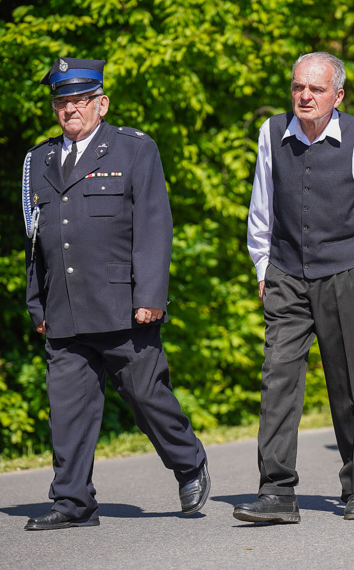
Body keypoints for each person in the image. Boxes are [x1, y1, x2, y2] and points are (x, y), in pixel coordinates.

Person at [23, 56, 210, 530]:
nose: (69, 110)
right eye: (61, 101)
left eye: (79, 101)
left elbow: (153, 224)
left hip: (123, 306)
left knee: (147, 398)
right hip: (63, 306)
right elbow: (36, 240)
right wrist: (36, 302)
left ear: (101, 103)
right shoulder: (38, 161)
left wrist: (151, 294)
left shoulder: (132, 150)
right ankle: (73, 503)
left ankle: (188, 463)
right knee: (67, 412)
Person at [236, 52, 354, 524]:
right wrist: (263, 268)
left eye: (316, 89)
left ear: (338, 95)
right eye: (298, 87)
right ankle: (276, 491)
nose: (305, 96)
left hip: (346, 271)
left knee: (349, 382)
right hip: (288, 273)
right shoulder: (272, 133)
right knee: (278, 377)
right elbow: (262, 208)